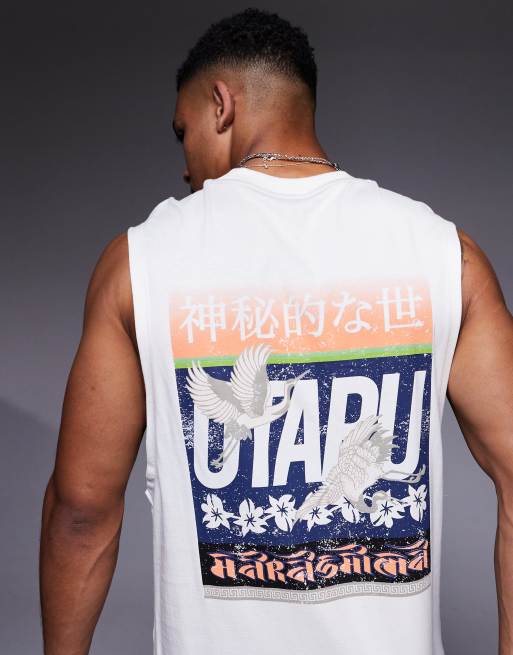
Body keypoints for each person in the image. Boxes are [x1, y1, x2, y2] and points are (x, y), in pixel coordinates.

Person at [39, 8, 513, 655]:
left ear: (221, 104)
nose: (184, 166)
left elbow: (81, 513)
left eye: (182, 132)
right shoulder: (444, 256)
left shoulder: (138, 265)